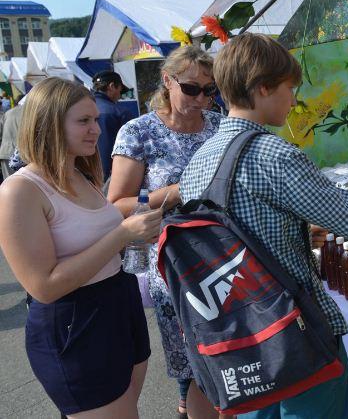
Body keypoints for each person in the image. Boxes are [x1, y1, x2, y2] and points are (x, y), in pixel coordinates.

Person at [179, 33, 348, 418]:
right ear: (262, 88)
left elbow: (236, 241)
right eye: (289, 89)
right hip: (297, 338)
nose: (294, 101)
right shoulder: (275, 155)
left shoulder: (199, 160)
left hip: (242, 341)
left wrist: (297, 234)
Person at [0, 77, 163, 418]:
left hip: (119, 306)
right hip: (76, 323)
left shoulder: (81, 174)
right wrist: (122, 235)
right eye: (83, 121)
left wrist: (133, 239)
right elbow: (43, 287)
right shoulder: (20, 190)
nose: (96, 130)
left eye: (96, 120)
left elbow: (96, 246)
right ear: (49, 123)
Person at [107, 46, 222, 419]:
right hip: (172, 261)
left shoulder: (218, 124)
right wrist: (179, 191)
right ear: (167, 81)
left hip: (223, 255)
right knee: (190, 354)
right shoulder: (139, 132)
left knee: (226, 347)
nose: (201, 99)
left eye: (209, 90)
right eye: (191, 89)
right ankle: (188, 403)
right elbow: (118, 203)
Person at [92, 70, 131, 181]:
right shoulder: (120, 113)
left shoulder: (80, 109)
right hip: (113, 178)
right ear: (112, 86)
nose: (120, 95)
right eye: (120, 90)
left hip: (86, 178)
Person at [0, 100, 24, 179]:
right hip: (22, 154)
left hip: (5, 152)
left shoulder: (8, 112)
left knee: (9, 180)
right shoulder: (29, 113)